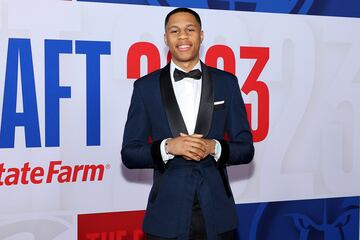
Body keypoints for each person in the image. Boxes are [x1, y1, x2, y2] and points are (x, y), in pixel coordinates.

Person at [121, 7, 254, 240]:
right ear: (166, 38)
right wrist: (168, 148)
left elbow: (246, 148)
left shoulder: (227, 83)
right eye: (175, 30)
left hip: (217, 214)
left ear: (201, 35)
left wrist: (215, 147)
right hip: (166, 214)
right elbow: (130, 154)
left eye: (190, 29)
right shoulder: (145, 87)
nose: (183, 36)